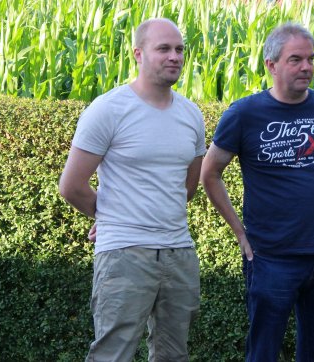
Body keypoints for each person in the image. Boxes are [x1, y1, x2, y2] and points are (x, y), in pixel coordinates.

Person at [200, 23, 314, 361]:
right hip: (271, 258)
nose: (307, 67)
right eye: (295, 59)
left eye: (311, 59)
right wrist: (240, 234)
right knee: (263, 352)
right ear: (271, 65)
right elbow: (209, 174)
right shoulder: (244, 113)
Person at [59, 18, 206, 362]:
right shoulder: (108, 109)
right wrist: (111, 215)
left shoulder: (191, 115)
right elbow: (71, 186)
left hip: (179, 252)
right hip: (125, 253)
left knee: (174, 355)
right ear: (138, 54)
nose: (174, 56)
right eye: (163, 49)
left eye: (179, 49)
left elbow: (187, 187)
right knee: (113, 354)